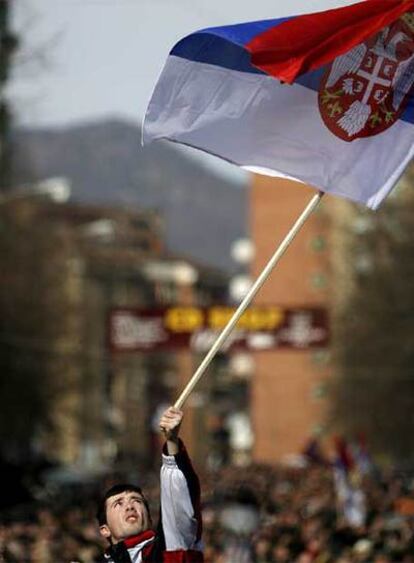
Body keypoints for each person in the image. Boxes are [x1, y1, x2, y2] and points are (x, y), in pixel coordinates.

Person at [97, 406, 203, 562]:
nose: (130, 506)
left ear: (149, 519)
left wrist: (172, 441)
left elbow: (178, 507)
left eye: (137, 501)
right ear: (105, 530)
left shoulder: (167, 551)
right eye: (118, 503)